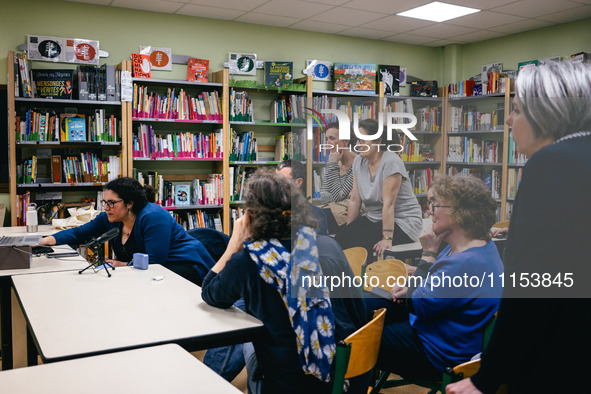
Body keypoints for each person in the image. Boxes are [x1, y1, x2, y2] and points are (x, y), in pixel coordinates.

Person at [447, 62, 591, 393]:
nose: (509, 121)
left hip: (562, 356)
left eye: (516, 109)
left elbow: (535, 287)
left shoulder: (553, 163)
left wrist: (487, 376)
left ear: (547, 112)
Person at [201, 170, 367, 394]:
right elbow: (358, 313)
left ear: (251, 215)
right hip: (341, 377)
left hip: (283, 384)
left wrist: (233, 246)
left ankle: (206, 384)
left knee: (248, 333)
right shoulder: (329, 246)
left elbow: (210, 293)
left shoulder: (250, 260)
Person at [365, 175, 503, 381]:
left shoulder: (463, 262)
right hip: (442, 332)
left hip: (438, 354)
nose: (430, 211)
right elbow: (436, 291)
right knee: (367, 308)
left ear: (458, 213)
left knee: (362, 336)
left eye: (435, 204)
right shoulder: (479, 247)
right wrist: (416, 284)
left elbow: (416, 304)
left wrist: (428, 254)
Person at [40, 177, 215, 285]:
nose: (107, 207)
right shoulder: (110, 218)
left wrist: (124, 265)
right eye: (105, 202)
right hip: (146, 272)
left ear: (130, 203)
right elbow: (79, 233)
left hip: (183, 267)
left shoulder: (153, 216)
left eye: (112, 203)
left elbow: (155, 263)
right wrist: (45, 241)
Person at [335, 118, 422, 261]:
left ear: (378, 141)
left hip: (404, 222)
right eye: (356, 141)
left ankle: (359, 281)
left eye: (362, 141)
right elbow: (355, 200)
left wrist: (387, 238)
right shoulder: (359, 161)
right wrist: (349, 229)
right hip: (375, 218)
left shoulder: (391, 161)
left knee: (359, 245)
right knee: (340, 240)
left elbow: (389, 203)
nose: (357, 145)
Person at [318, 122, 357, 234]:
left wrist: (332, 164)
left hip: (346, 215)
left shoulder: (357, 164)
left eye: (332, 138)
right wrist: (342, 197)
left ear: (346, 141)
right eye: (326, 139)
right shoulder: (333, 163)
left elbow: (337, 195)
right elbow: (323, 195)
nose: (328, 143)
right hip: (332, 210)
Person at [276, 159, 329, 235]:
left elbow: (319, 244)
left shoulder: (316, 214)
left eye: (282, 181)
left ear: (298, 182)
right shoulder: (271, 210)